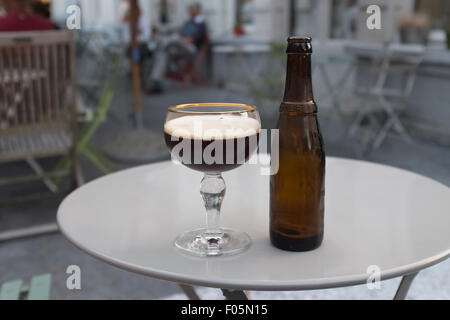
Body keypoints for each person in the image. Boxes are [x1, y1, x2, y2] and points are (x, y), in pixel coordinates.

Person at [148, 3, 208, 93]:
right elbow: (179, 31)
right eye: (189, 9)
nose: (190, 11)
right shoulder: (188, 22)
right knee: (164, 53)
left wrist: (186, 39)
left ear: (197, 10)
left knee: (174, 39)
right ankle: (156, 82)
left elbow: (197, 37)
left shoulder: (201, 23)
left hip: (191, 49)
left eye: (192, 9)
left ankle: (160, 43)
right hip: (180, 46)